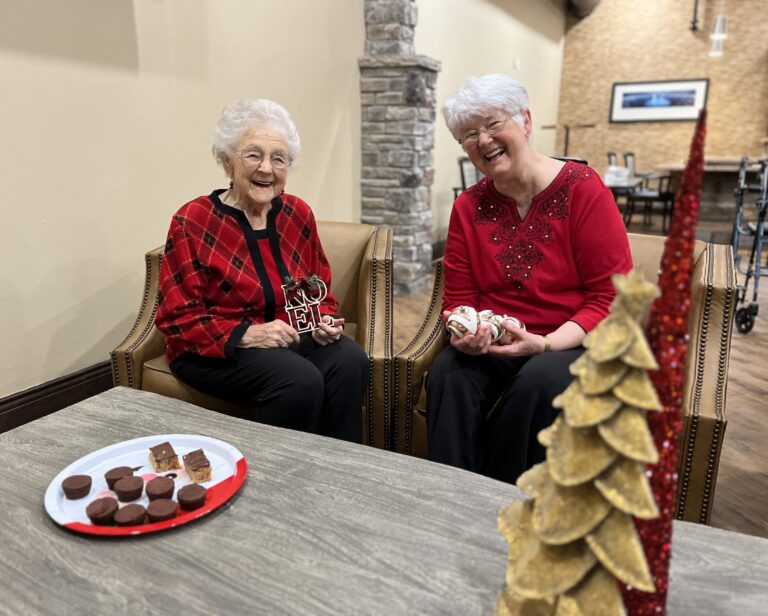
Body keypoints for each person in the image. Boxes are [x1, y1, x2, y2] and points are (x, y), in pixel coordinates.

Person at [427, 74, 632, 483]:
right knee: (449, 373)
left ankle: (504, 503)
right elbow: (460, 300)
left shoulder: (584, 190)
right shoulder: (468, 207)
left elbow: (610, 298)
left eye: (492, 124)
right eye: (469, 134)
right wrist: (466, 333)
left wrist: (545, 343)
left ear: (525, 121)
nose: (483, 141)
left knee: (537, 382)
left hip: (569, 339)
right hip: (496, 340)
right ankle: (448, 498)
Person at [155, 99, 368, 442]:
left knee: (350, 360)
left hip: (290, 338)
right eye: (253, 155)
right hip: (214, 350)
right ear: (227, 161)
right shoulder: (193, 221)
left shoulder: (297, 213)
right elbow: (177, 319)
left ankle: (338, 470)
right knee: (298, 379)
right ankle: (274, 480)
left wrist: (323, 319)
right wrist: (248, 335)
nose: (267, 169)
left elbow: (319, 287)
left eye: (278, 158)